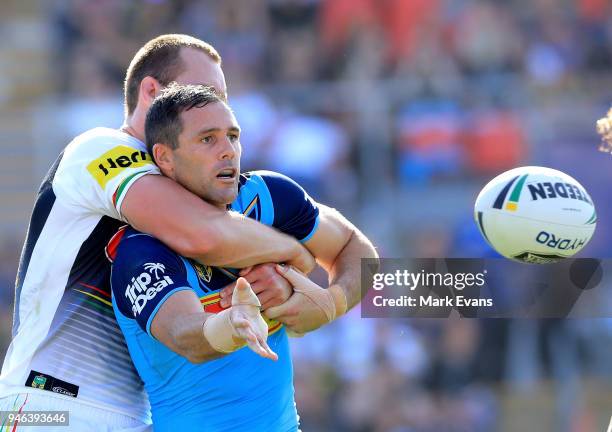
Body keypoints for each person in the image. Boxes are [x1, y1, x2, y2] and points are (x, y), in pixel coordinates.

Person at [0, 34, 315, 431]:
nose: (218, 109)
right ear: (151, 91)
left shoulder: (191, 184)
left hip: (131, 415)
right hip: (51, 406)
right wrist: (296, 257)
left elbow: (344, 243)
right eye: (203, 92)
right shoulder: (99, 148)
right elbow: (203, 234)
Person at [108, 83, 378, 431]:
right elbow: (185, 335)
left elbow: (356, 248)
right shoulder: (140, 247)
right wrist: (234, 322)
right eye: (208, 139)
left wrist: (332, 302)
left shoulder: (267, 197)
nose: (228, 151)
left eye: (233, 136)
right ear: (165, 158)